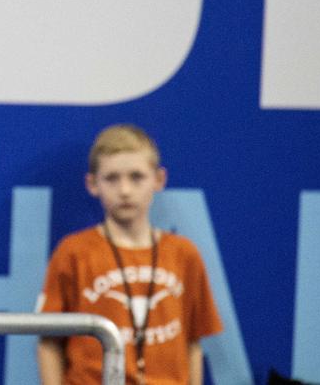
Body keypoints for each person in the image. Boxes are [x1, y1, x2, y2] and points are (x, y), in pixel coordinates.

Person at [36, 124, 223, 385]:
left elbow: (193, 343)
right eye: (112, 178)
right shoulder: (73, 253)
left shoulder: (184, 254)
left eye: (136, 177)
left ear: (159, 180)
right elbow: (49, 343)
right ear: (92, 184)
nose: (124, 190)